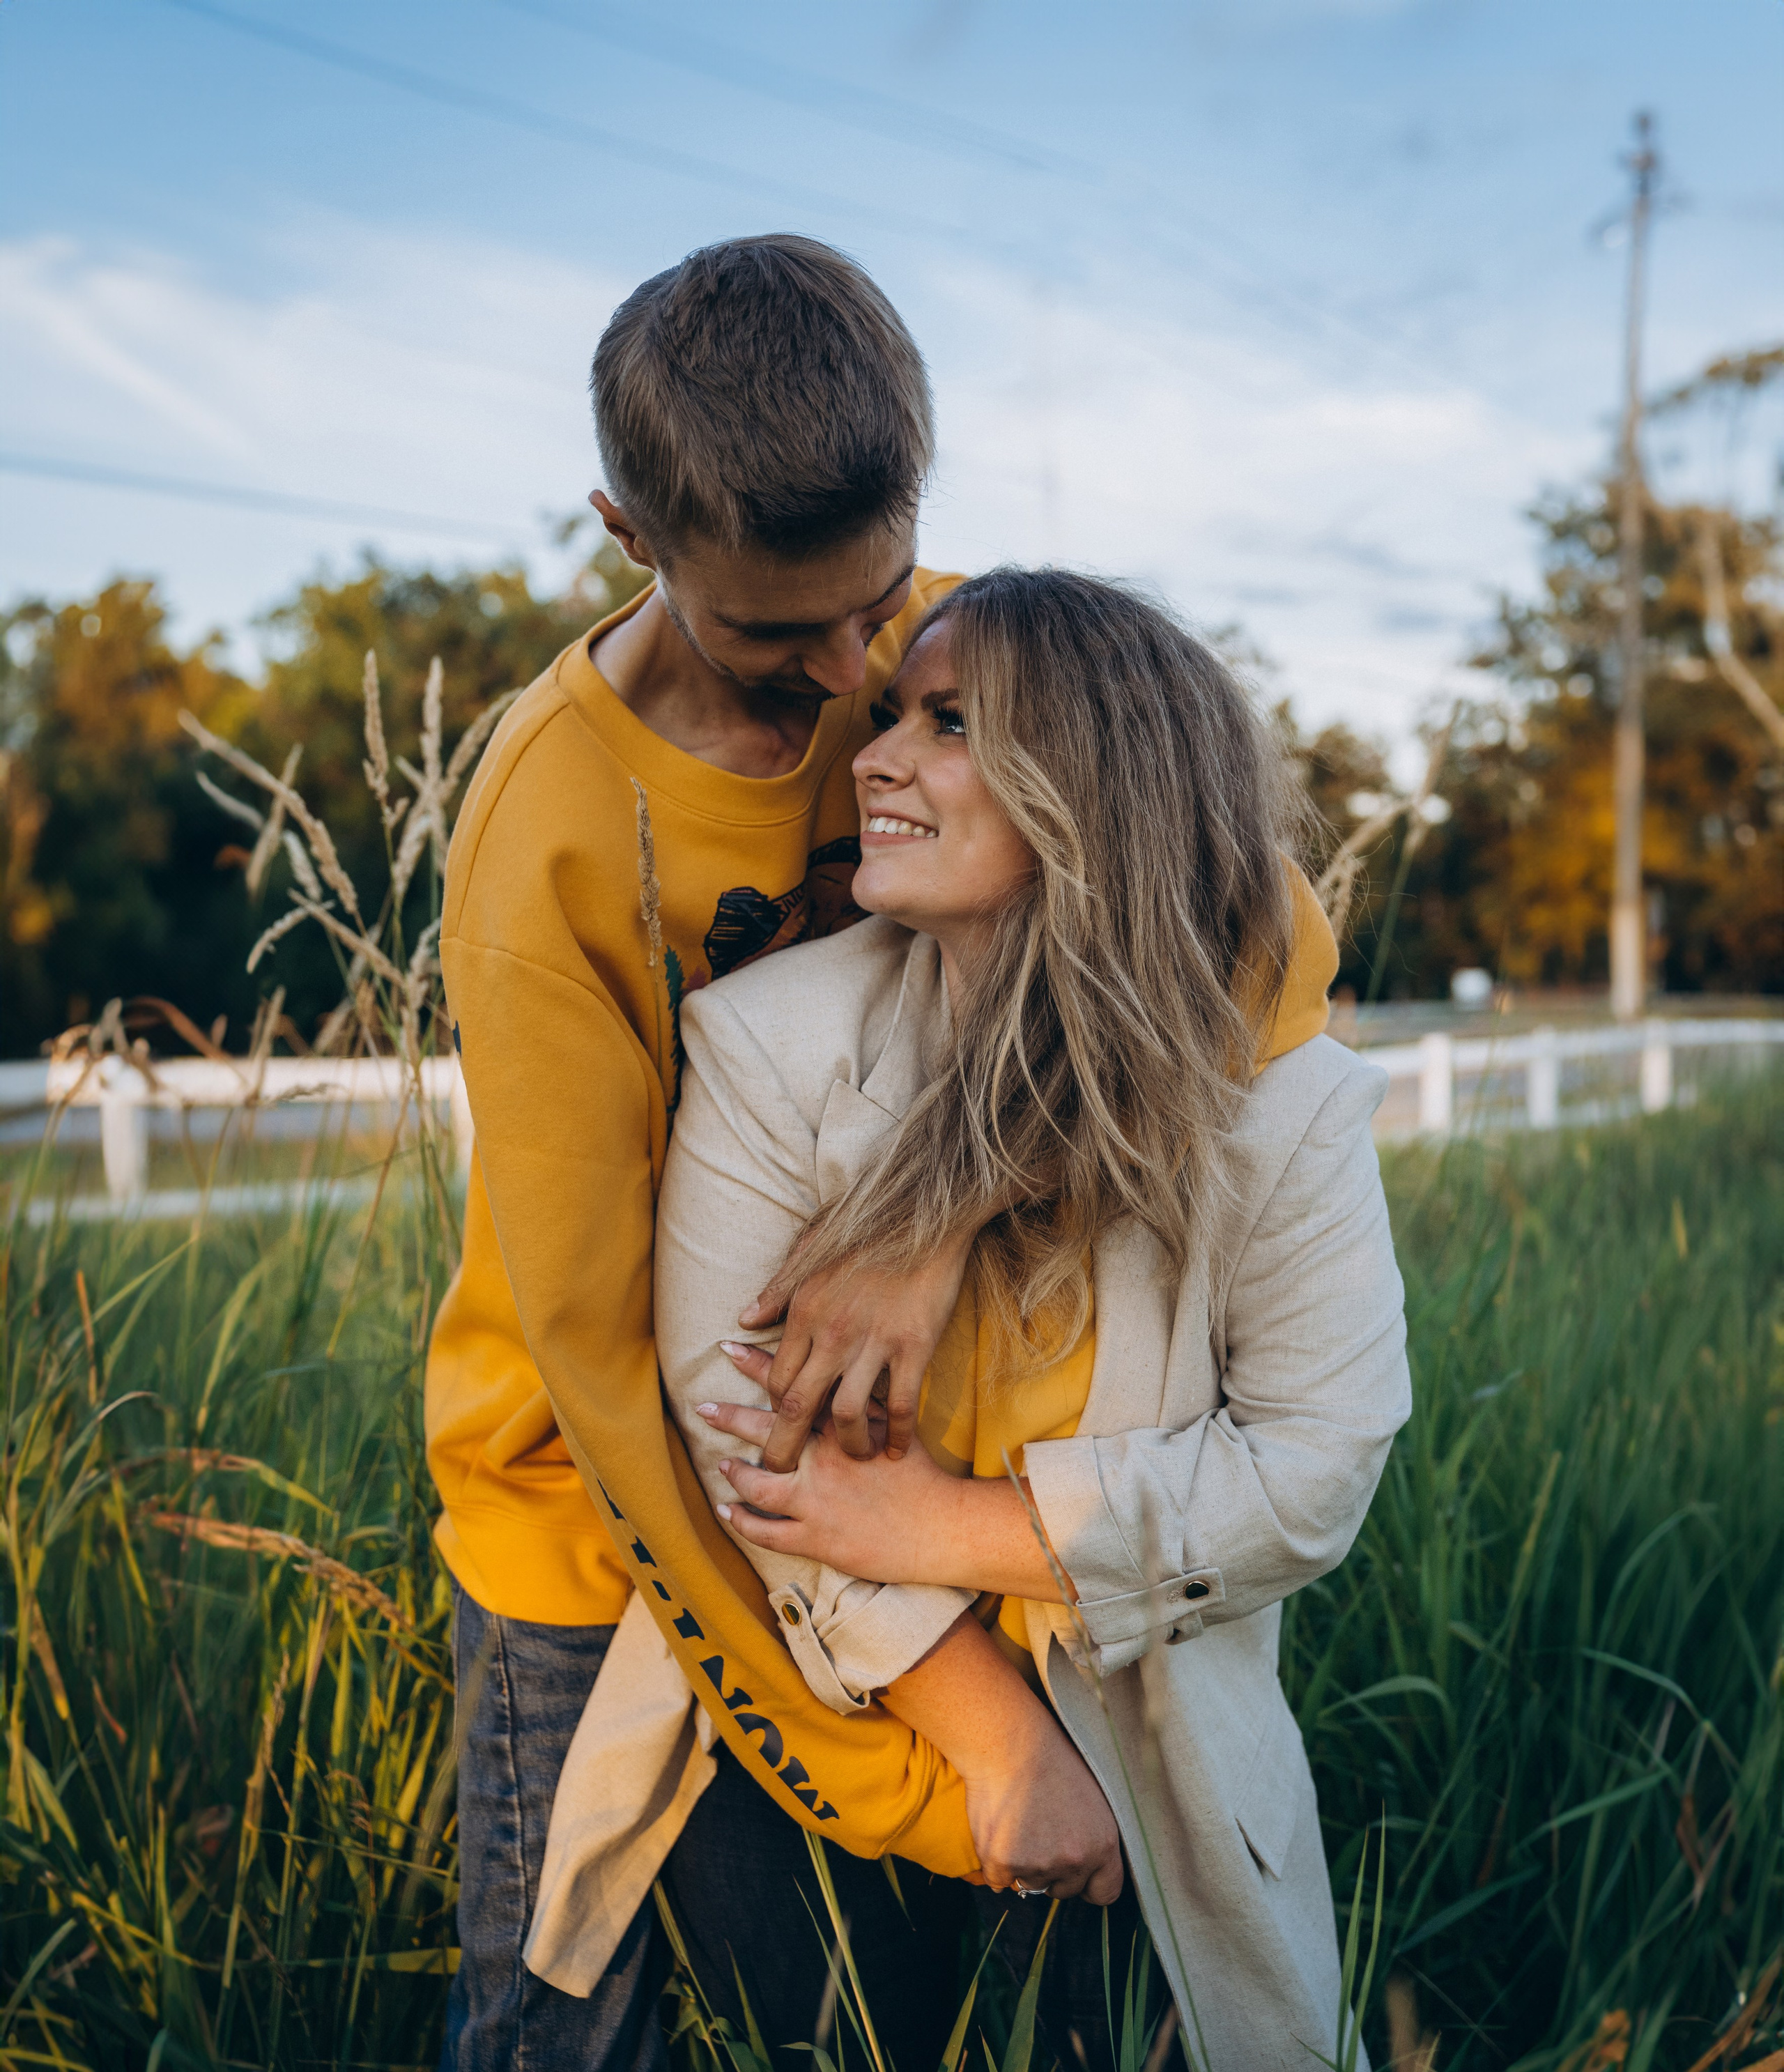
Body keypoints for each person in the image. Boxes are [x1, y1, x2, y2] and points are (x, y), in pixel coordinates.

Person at [532, 568, 1411, 2067]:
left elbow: (1312, 1466)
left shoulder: (1287, 1104)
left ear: (1095, 787)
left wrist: (940, 1522)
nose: (870, 758)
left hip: (1142, 1733)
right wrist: (993, 1730)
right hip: (817, 1692)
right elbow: (736, 1431)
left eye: (948, 726)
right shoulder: (759, 1041)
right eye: (891, 716)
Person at [429, 233, 969, 2070]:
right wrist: (874, 1772)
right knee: (558, 2024)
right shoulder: (550, 837)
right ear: (627, 529)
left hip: (867, 1477)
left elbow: (1254, 931)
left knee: (864, 2018)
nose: (852, 673)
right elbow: (592, 1354)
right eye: (775, 632)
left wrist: (943, 1207)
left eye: (876, 596)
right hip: (585, 1516)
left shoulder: (959, 655)